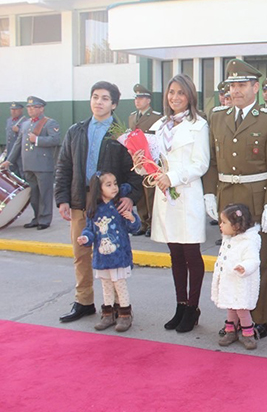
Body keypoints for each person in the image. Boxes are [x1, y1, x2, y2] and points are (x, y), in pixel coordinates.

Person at [203, 59, 267, 340]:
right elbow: (212, 161)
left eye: (242, 85)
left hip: (255, 198)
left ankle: (259, 318)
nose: (236, 91)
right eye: (232, 86)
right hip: (227, 195)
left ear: (255, 87)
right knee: (229, 261)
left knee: (257, 261)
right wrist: (209, 192)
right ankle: (234, 318)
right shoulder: (217, 117)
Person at [55, 81, 143, 323]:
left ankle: (118, 306)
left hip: (110, 205)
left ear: (114, 104)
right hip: (80, 200)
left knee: (111, 253)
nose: (98, 102)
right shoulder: (76, 131)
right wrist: (62, 199)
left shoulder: (123, 135)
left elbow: (136, 171)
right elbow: (64, 166)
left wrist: (129, 196)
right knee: (81, 252)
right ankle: (84, 302)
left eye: (105, 98)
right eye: (95, 97)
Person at [144, 74, 210, 333]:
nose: (175, 97)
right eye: (171, 92)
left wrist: (171, 178)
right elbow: (153, 160)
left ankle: (193, 307)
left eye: (181, 92)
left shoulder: (199, 125)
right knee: (175, 254)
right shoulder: (160, 125)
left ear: (190, 96)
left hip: (187, 194)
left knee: (191, 253)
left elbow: (201, 164)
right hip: (165, 196)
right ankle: (180, 305)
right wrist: (142, 165)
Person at [77, 172, 141, 332]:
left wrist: (132, 219)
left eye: (115, 183)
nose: (114, 187)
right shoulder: (94, 210)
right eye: (109, 185)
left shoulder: (120, 206)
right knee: (106, 286)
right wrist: (85, 238)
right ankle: (108, 314)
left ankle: (125, 314)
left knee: (120, 285)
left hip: (119, 256)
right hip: (102, 257)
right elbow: (90, 230)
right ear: (99, 189)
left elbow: (134, 227)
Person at [1, 96, 61, 229]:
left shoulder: (49, 123)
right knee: (33, 194)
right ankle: (36, 217)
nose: (30, 109)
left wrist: (37, 140)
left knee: (44, 194)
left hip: (43, 165)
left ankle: (44, 219)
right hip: (28, 164)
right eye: (29, 107)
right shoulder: (25, 124)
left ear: (41, 109)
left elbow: (55, 139)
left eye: (34, 107)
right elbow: (18, 144)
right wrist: (9, 160)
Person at [212, 203, 261, 350]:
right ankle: (230, 331)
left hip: (240, 283)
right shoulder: (228, 239)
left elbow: (253, 260)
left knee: (242, 309)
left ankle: (248, 334)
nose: (220, 225)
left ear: (236, 226)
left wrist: (244, 267)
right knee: (231, 307)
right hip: (229, 281)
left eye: (224, 222)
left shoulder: (248, 242)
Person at [127, 84, 162, 237]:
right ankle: (143, 222)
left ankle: (153, 223)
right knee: (140, 193)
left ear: (148, 100)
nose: (137, 101)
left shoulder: (156, 117)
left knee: (150, 193)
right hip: (137, 160)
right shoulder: (132, 117)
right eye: (136, 98)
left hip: (150, 160)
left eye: (141, 98)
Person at [4, 102, 27, 177]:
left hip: (20, 153)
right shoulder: (9, 121)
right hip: (10, 151)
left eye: (16, 109)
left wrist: (18, 131)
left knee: (22, 173)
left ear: (21, 110)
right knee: (11, 174)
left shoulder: (25, 121)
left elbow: (27, 136)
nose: (13, 111)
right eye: (12, 109)